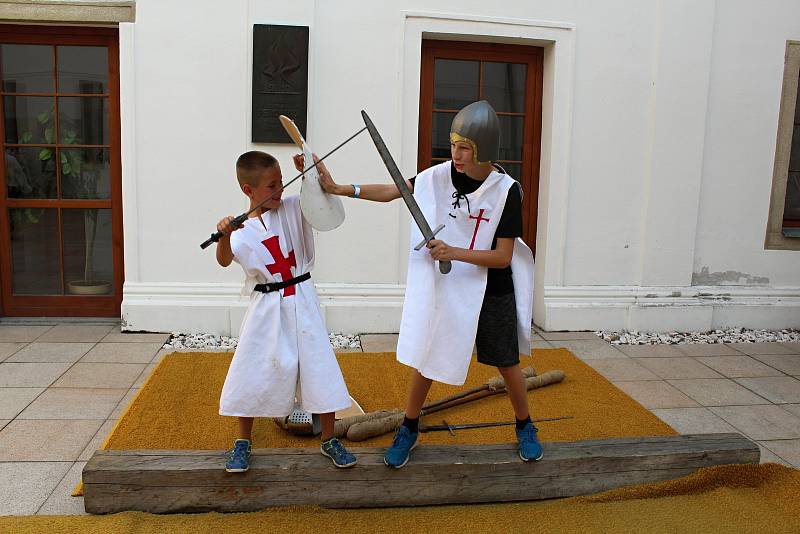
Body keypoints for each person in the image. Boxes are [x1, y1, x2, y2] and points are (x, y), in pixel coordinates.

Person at [308, 100, 539, 468]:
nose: (456, 154)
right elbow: (394, 190)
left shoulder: (506, 191)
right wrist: (340, 188)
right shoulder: (440, 176)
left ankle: (525, 425)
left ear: (484, 149)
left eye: (465, 148)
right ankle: (409, 426)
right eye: (453, 145)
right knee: (429, 355)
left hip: (492, 287)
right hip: (450, 286)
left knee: (506, 362)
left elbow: (503, 257)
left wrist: (453, 252)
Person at [214, 150, 357, 472]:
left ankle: (330, 439)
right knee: (252, 365)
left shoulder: (294, 207)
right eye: (271, 186)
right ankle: (242, 441)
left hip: (303, 297)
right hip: (266, 305)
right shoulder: (240, 230)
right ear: (248, 190)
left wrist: (309, 173)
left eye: (281, 182)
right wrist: (224, 235)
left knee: (318, 365)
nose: (279, 190)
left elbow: (321, 201)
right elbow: (225, 260)